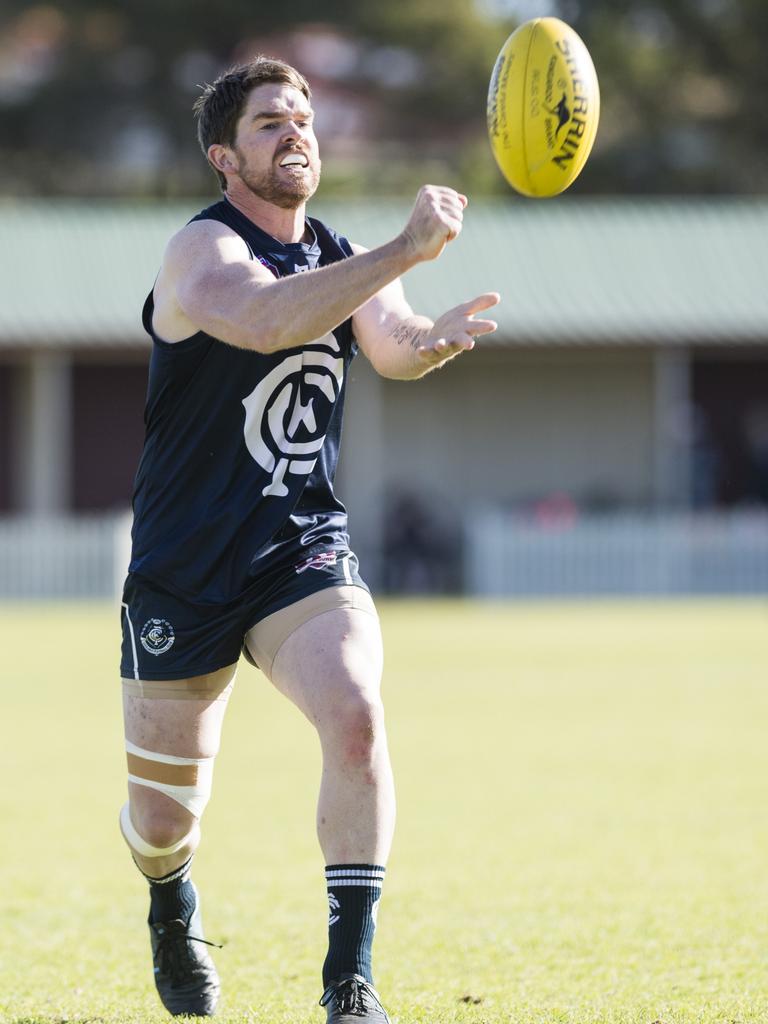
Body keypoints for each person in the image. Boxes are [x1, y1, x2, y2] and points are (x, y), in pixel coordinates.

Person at [118, 54, 499, 1023]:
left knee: (359, 713)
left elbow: (389, 341)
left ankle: (349, 979)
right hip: (184, 568)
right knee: (162, 821)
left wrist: (435, 336)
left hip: (299, 551)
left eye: (305, 120)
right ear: (223, 157)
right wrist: (404, 252)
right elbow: (264, 320)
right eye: (269, 124)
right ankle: (171, 902)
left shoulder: (335, 249)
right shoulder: (200, 255)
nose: (297, 134)